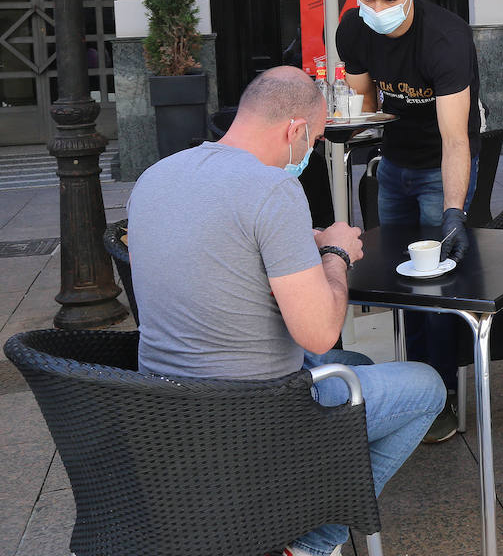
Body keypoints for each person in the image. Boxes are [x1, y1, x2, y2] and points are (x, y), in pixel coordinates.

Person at [127, 67, 445, 556]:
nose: (310, 152)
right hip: (254, 416)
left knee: (357, 368)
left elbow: (221, 254)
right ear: (294, 130)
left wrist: (301, 246)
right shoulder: (272, 189)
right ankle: (309, 543)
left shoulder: (156, 175)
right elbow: (319, 334)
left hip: (162, 409)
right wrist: (335, 254)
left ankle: (297, 503)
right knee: (426, 386)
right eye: (315, 139)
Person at [336, 0, 481, 443]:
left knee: (438, 281)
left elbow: (455, 137)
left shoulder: (445, 38)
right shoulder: (353, 29)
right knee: (398, 279)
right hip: (392, 161)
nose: (376, 9)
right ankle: (413, 381)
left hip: (441, 163)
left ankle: (443, 393)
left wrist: (455, 211)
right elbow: (365, 103)